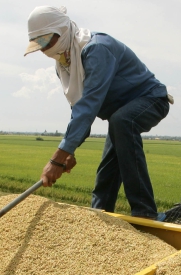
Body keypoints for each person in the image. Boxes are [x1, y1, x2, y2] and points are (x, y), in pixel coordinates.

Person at [24, 6, 172, 220]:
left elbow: (89, 105)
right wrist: (69, 153)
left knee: (122, 121)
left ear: (62, 30)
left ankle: (145, 212)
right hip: (119, 117)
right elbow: (78, 110)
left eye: (47, 41)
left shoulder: (96, 49)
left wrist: (57, 159)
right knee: (108, 167)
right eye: (40, 45)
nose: (45, 49)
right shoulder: (65, 63)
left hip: (151, 100)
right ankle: (99, 216)